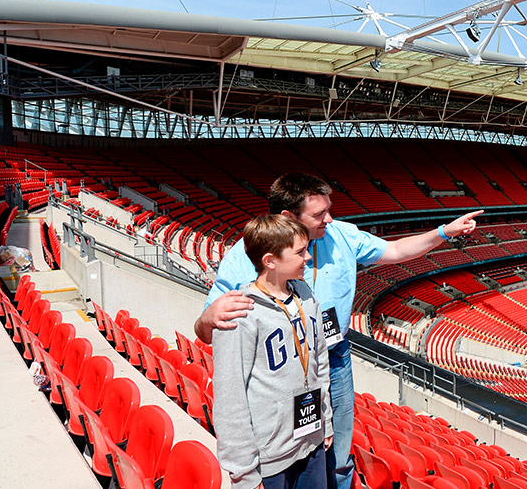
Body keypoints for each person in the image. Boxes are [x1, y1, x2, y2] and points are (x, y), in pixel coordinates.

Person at [196, 172, 482, 489]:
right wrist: (209, 316)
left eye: (330, 210)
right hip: (284, 368)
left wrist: (444, 231)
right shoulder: (246, 253)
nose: (329, 220)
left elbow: (397, 250)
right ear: (288, 217)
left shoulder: (342, 235)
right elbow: (210, 328)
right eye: (319, 214)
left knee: (337, 451)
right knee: (292, 455)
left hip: (333, 357)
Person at [214, 214, 332, 489]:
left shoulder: (305, 293)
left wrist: (325, 418)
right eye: (300, 252)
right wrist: (244, 473)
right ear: (270, 261)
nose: (309, 258)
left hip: (312, 441)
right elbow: (230, 395)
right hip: (269, 457)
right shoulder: (240, 313)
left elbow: (320, 361)